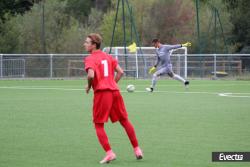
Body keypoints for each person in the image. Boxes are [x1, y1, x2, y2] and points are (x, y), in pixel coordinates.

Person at [83, 33, 143, 164]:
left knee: (98, 125)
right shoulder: (108, 57)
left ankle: (110, 153)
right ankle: (137, 150)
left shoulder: (90, 58)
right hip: (115, 92)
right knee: (125, 121)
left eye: (87, 42)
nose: (85, 44)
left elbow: (91, 75)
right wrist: (113, 83)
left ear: (94, 45)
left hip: (102, 93)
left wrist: (88, 86)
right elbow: (120, 72)